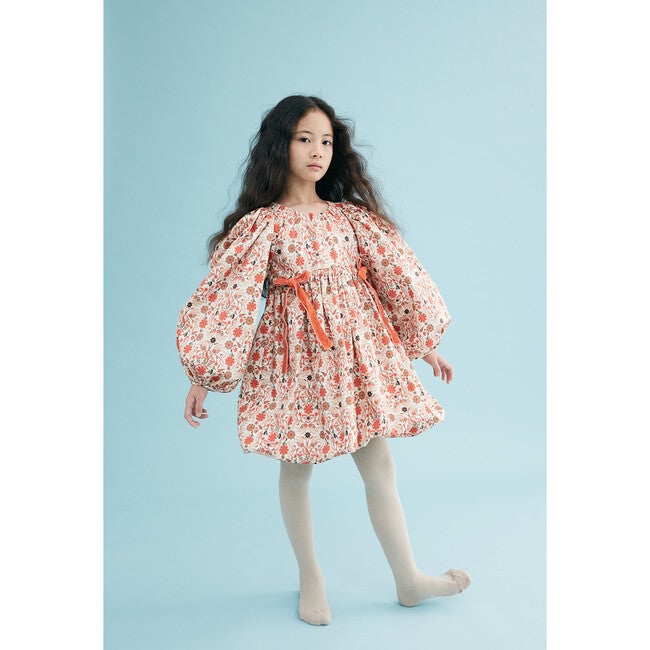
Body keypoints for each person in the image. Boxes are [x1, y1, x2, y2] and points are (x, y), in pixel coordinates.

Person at [176, 95, 471, 626]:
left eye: (327, 141)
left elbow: (393, 283)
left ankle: (409, 578)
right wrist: (203, 375)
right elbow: (229, 299)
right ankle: (310, 578)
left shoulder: (350, 219)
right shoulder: (263, 226)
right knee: (297, 467)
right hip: (296, 364)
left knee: (380, 465)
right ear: (280, 146)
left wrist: (424, 345)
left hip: (357, 361)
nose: (318, 151)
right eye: (304, 139)